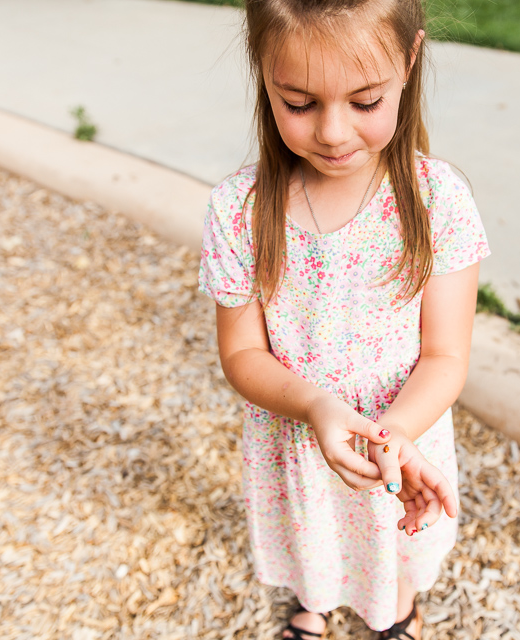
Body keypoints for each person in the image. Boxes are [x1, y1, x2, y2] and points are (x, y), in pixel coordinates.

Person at [198, 0, 490, 637]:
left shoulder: (439, 200)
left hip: (401, 428)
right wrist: (316, 407)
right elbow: (242, 355)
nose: (332, 132)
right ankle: (315, 599)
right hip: (298, 435)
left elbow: (446, 355)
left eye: (364, 102)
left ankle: (398, 606)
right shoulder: (238, 209)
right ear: (263, 70)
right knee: (314, 538)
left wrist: (395, 437)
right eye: (299, 103)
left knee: (396, 536)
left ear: (409, 61)